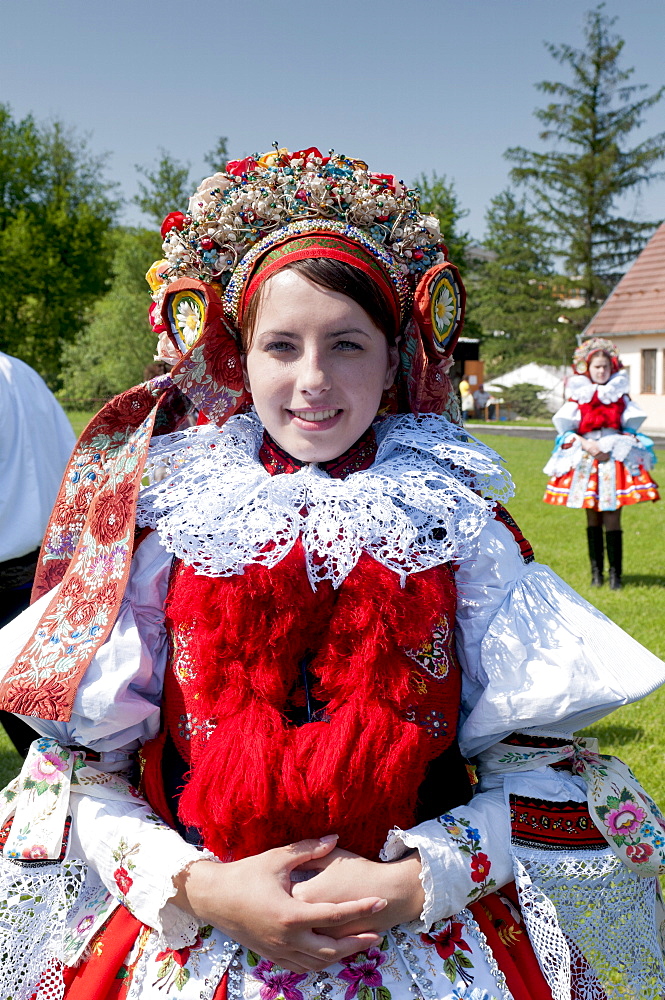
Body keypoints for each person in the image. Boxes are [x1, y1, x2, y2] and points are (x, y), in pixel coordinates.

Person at [0, 148, 664, 1000]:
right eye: (282, 345)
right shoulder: (166, 527)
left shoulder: (459, 530)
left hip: (423, 943)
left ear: (395, 360)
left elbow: (544, 784)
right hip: (200, 943)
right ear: (239, 359)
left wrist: (415, 882)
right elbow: (75, 780)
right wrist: (202, 886)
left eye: (345, 344)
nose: (312, 381)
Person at [0, 351, 76, 755]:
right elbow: (70, 454)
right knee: (43, 726)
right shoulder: (22, 373)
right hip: (44, 566)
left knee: (41, 727)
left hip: (24, 571)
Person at [543, 338, 659, 589]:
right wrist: (586, 444)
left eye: (605, 367)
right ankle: (597, 574)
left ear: (612, 368)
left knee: (613, 516)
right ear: (587, 368)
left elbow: (630, 428)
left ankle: (616, 575)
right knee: (592, 517)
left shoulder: (620, 396)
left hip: (613, 459)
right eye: (596, 367)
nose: (601, 371)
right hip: (588, 459)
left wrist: (615, 444)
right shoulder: (578, 396)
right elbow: (566, 430)